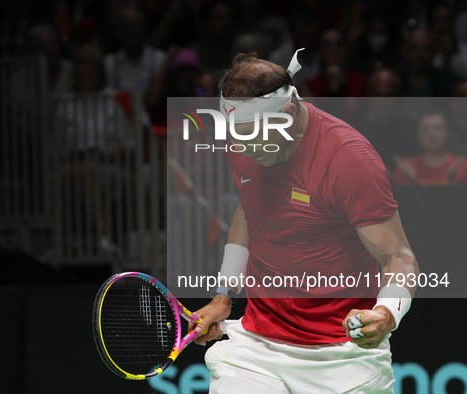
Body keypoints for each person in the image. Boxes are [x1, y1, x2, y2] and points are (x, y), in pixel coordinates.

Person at [188, 51, 420, 393]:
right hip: (255, 344)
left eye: (251, 136)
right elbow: (250, 209)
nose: (242, 148)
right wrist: (224, 295)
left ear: (286, 113)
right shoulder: (244, 139)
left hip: (342, 354)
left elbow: (398, 256)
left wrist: (387, 313)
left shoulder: (348, 159)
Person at [393, 110, 467, 185]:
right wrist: (410, 182)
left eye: (438, 128)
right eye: (426, 129)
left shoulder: (461, 166)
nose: (432, 133)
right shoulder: (406, 168)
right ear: (418, 135)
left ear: (448, 133)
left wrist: (454, 182)